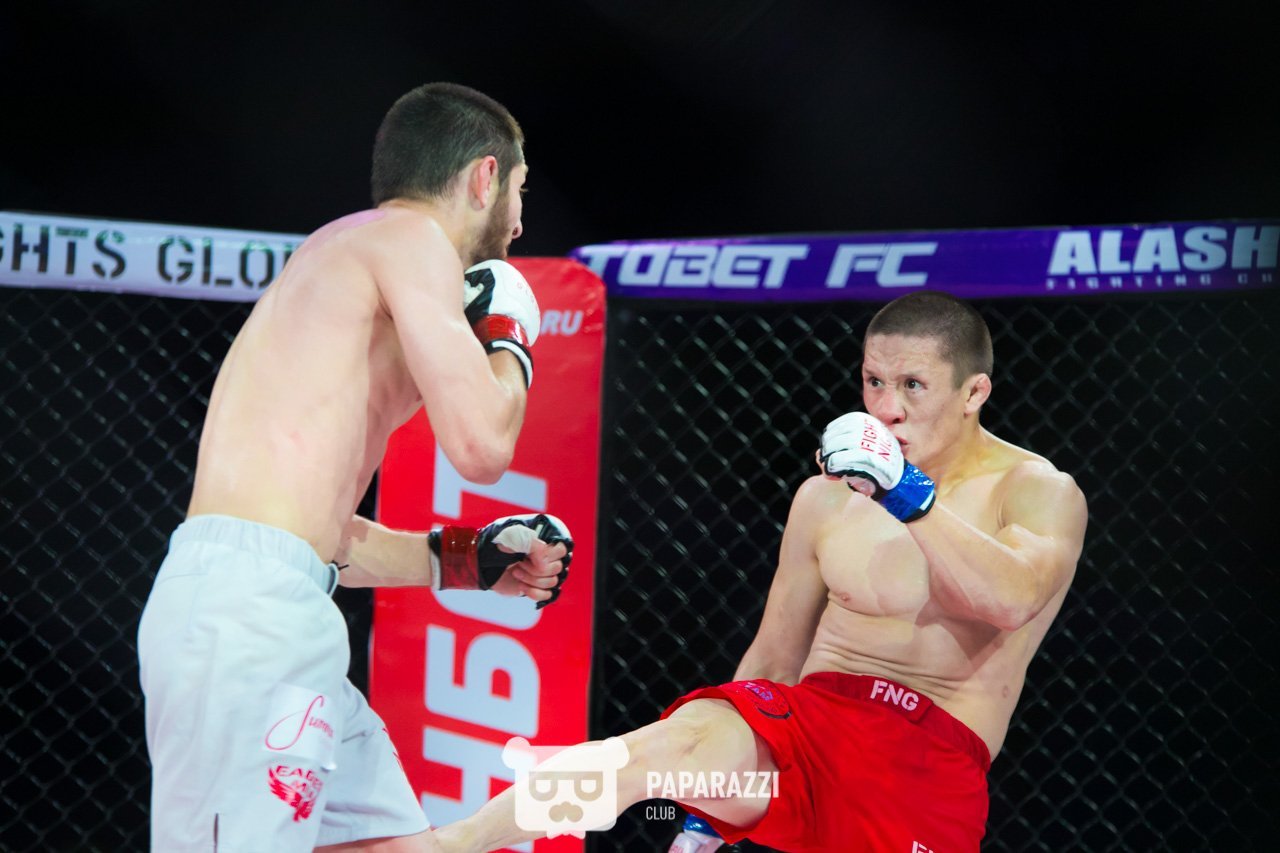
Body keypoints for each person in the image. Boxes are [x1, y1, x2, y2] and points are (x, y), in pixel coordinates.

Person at [434, 291, 1088, 853]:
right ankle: (454, 842)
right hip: (809, 728)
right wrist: (705, 812)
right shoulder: (827, 497)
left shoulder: (1034, 490)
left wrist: (905, 493)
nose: (885, 408)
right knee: (669, 745)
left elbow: (1012, 600)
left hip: (925, 758)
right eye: (873, 381)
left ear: (974, 391)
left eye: (912, 385)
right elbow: (775, 654)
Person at [137, 82, 573, 853]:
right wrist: (509, 336)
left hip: (280, 611)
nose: (519, 221)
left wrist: (467, 558)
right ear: (484, 177)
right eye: (520, 189)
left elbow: (319, 539)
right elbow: (482, 446)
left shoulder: (345, 269)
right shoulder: (409, 242)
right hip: (248, 623)